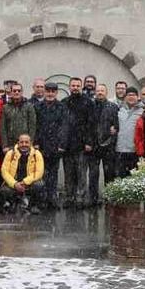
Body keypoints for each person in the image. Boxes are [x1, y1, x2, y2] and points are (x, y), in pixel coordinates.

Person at [35, 82, 71, 207]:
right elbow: (36, 126)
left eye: (52, 91)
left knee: (54, 173)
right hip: (42, 145)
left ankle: (52, 198)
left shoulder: (62, 107)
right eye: (48, 91)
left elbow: (64, 127)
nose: (50, 94)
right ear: (44, 92)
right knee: (41, 173)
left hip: (56, 145)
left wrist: (62, 144)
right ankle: (42, 199)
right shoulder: (38, 107)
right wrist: (36, 143)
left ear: (56, 93)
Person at [62, 77, 93, 208]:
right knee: (68, 173)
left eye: (77, 85)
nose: (75, 87)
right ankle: (69, 197)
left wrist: (89, 142)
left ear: (81, 87)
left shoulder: (88, 102)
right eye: (73, 85)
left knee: (81, 173)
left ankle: (80, 197)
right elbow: (61, 125)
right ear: (69, 87)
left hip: (82, 144)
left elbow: (91, 123)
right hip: (67, 145)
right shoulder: (64, 102)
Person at [89, 84, 120, 203]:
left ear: (106, 92)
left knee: (109, 173)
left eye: (102, 90)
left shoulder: (113, 107)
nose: (100, 92)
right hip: (93, 145)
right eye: (98, 91)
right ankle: (93, 198)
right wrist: (88, 142)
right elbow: (87, 125)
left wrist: (114, 131)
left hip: (108, 145)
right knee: (93, 174)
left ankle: (109, 196)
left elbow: (117, 125)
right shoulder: (90, 106)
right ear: (95, 92)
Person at [0, 133, 45, 214]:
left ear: (30, 143)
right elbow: (4, 171)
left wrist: (25, 182)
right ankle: (12, 204)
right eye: (22, 142)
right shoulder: (10, 153)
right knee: (4, 190)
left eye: (26, 142)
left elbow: (39, 172)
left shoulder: (37, 154)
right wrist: (15, 184)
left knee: (39, 185)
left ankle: (33, 206)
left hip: (29, 183)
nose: (24, 144)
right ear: (18, 143)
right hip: (14, 183)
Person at [0, 82, 37, 156]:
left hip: (25, 144)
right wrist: (4, 145)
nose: (17, 92)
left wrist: (30, 143)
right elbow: (3, 128)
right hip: (10, 145)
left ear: (22, 92)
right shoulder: (5, 107)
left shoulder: (29, 106)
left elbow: (32, 126)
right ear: (11, 92)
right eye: (14, 91)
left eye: (19, 91)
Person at [114, 87, 143, 178]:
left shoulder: (142, 111)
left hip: (135, 150)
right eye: (129, 95)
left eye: (133, 95)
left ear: (137, 97)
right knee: (120, 178)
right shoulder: (119, 110)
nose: (131, 97)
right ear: (125, 97)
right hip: (120, 149)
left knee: (134, 178)